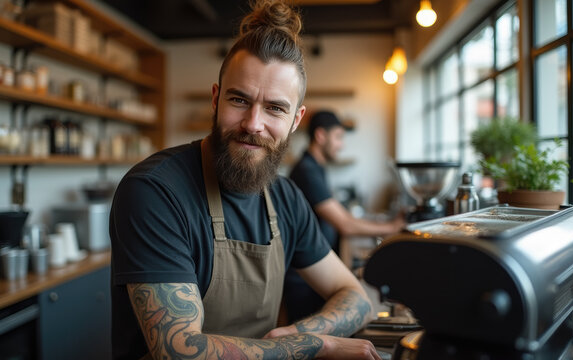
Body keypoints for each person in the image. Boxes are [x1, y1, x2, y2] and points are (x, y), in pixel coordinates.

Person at [109, 1, 382, 359]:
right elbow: (179, 352)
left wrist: (299, 334)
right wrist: (315, 345)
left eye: (275, 108)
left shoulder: (286, 197)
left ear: (296, 120)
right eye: (240, 100)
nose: (254, 123)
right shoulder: (154, 192)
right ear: (216, 99)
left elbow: (355, 296)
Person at [285, 110, 406, 322]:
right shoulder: (307, 170)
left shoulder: (315, 167)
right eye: (338, 137)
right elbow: (345, 225)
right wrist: (392, 227)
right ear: (321, 136)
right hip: (304, 277)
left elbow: (342, 217)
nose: (341, 145)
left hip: (312, 268)